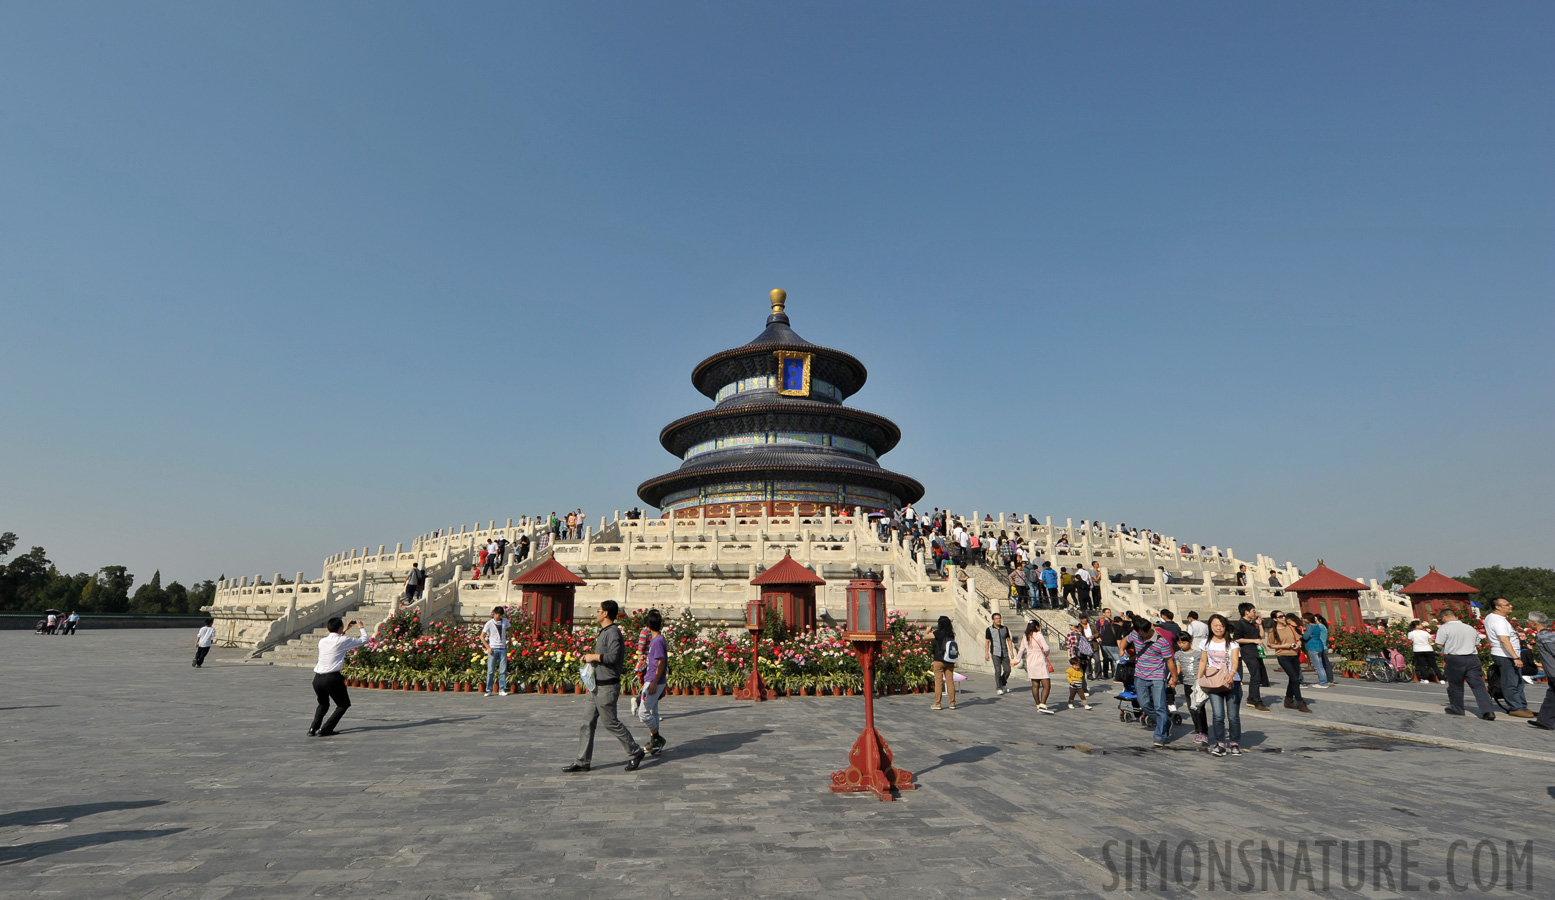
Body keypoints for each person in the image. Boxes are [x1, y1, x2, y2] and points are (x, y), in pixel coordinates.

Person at [566, 601, 647, 772]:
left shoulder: (613, 633)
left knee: (610, 723)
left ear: (606, 614)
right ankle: (582, 761)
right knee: (587, 723)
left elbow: (612, 657)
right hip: (595, 686)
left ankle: (635, 751)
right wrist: (588, 658)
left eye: (599, 610)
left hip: (607, 687)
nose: (597, 613)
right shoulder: (604, 632)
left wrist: (593, 656)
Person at [1435, 607, 1496, 721]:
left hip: (1455, 659)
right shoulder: (1470, 628)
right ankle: (1488, 711)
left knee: (1456, 685)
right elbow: (1477, 643)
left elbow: (1439, 644)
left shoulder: (1444, 628)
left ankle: (1457, 708)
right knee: (1478, 686)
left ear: (1444, 617)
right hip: (1472, 658)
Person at [1126, 616, 1180, 748]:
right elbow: (1124, 641)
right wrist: (1122, 651)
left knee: (1160, 706)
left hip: (1157, 677)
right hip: (1140, 676)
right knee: (1144, 704)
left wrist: (1174, 677)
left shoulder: (1162, 642)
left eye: (1143, 633)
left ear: (1148, 629)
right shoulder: (1135, 635)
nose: (1142, 636)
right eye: (1140, 633)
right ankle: (1165, 722)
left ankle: (1160, 735)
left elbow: (1169, 661)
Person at [310, 617, 367, 737]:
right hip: (332, 678)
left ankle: (313, 728)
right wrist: (360, 626)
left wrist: (344, 629)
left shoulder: (322, 641)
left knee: (323, 704)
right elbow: (364, 639)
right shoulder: (342, 640)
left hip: (317, 679)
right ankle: (326, 728)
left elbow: (336, 640)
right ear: (339, 628)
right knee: (343, 704)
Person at [1198, 614, 1243, 757]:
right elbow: (1203, 661)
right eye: (1215, 625)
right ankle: (1220, 743)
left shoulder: (1233, 644)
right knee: (1218, 715)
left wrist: (1232, 673)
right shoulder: (1205, 643)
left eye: (1221, 625)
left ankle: (1235, 743)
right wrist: (1198, 679)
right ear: (1210, 626)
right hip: (1214, 682)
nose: (1219, 628)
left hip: (1232, 681)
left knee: (1233, 716)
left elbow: (1235, 661)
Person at [1484, 597, 1534, 718]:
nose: (1510, 606)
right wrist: (1515, 657)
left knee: (1518, 681)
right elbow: (1504, 640)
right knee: (1511, 682)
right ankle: (1515, 707)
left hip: (1505, 654)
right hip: (1506, 655)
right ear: (1498, 607)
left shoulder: (1491, 617)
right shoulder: (1499, 621)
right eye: (1507, 605)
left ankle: (1522, 706)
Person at [638, 609, 669, 754]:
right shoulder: (657, 640)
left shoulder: (657, 641)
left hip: (653, 680)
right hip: (652, 678)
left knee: (643, 712)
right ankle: (654, 742)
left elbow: (661, 662)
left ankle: (657, 737)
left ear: (648, 626)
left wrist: (655, 683)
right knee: (653, 710)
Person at [1267, 613, 1311, 712]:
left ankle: (1288, 700)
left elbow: (1299, 638)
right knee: (1295, 678)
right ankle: (1300, 702)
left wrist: (1298, 644)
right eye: (1280, 617)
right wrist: (1284, 646)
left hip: (1294, 655)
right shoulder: (1272, 631)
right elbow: (1271, 645)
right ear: (1275, 619)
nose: (1283, 618)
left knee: (1293, 679)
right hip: (1283, 656)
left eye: (1284, 616)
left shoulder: (1290, 627)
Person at [1232, 603, 1271, 711]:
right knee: (1256, 676)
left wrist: (1260, 624)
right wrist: (1253, 640)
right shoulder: (1240, 624)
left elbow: (1262, 636)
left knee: (1258, 676)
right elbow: (1237, 639)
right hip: (1248, 652)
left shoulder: (1252, 623)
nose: (1255, 613)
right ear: (1246, 612)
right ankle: (1257, 701)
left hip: (1257, 652)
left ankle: (1251, 698)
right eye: (1253, 611)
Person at [1174, 631, 1209, 743]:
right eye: (1179, 642)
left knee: (1199, 708)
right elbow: (1178, 669)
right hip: (1187, 684)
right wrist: (1173, 678)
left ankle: (1203, 732)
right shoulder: (1178, 654)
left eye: (1183, 642)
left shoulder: (1198, 654)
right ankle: (1199, 731)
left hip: (1198, 684)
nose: (1181, 644)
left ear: (1190, 641)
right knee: (1192, 708)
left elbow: (1205, 666)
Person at [1014, 620, 1055, 713]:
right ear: (1036, 626)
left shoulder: (1026, 636)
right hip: (1039, 660)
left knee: (1035, 684)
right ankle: (1043, 704)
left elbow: (1021, 650)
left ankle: (1038, 704)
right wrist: (1046, 654)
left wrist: (1017, 660)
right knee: (1046, 685)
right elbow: (1047, 648)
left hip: (1030, 661)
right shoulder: (1039, 635)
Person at [1525, 610, 1555, 732]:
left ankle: (1545, 721)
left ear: (1534, 623)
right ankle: (1545, 721)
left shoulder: (1544, 636)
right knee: (1551, 696)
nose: (1527, 622)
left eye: (1529, 620)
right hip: (1552, 673)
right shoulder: (1549, 634)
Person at [930, 616, 958, 710]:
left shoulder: (937, 633)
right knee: (950, 682)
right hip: (949, 660)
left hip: (938, 659)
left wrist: (928, 630)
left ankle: (938, 703)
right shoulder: (951, 634)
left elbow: (926, 637)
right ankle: (952, 703)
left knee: (938, 682)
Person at [984, 613, 1015, 695]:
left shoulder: (1005, 628)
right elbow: (987, 642)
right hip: (995, 653)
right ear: (993, 620)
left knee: (1008, 670)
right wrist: (986, 653)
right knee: (998, 670)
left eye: (999, 618)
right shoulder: (989, 629)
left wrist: (1011, 652)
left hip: (1004, 652)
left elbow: (1008, 640)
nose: (998, 620)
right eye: (996, 618)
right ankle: (999, 687)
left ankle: (1003, 682)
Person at [482, 607, 509, 696]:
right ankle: (488, 689)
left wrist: (509, 640)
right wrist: (488, 647)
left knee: (503, 670)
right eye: (497, 614)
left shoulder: (505, 621)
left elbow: (510, 628)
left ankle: (502, 689)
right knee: (490, 670)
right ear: (494, 613)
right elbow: (482, 636)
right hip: (493, 649)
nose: (499, 616)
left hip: (503, 648)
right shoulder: (489, 623)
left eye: (500, 615)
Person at [1301, 612, 1332, 689]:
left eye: (1304, 618)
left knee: (1318, 666)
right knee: (1320, 665)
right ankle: (1323, 681)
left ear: (1307, 619)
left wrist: (1302, 633)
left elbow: (1305, 637)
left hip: (1312, 646)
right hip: (1319, 645)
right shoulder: (1317, 626)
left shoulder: (1311, 627)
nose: (1303, 620)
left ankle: (1323, 682)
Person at [1408, 619, 1442, 684]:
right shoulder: (1425, 632)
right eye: (1420, 624)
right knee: (1434, 665)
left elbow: (1411, 642)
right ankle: (1441, 679)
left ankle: (1425, 679)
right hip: (1428, 649)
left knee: (1422, 665)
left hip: (1418, 650)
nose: (1421, 625)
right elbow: (1431, 641)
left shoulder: (1410, 633)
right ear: (1416, 625)